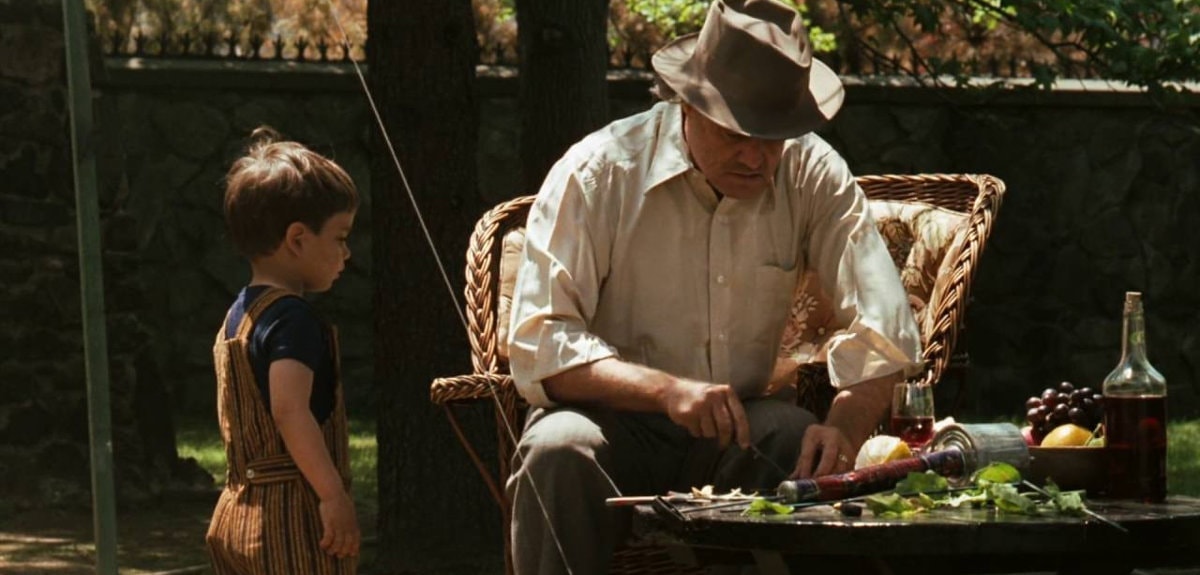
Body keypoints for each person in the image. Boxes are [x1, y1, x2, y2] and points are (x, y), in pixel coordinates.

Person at [504, 1, 923, 574]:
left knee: (802, 443)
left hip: (744, 430)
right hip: (608, 421)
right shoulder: (599, 172)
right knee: (557, 450)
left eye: (773, 136)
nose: (757, 157)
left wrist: (844, 430)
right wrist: (666, 393)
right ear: (686, 105)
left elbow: (885, 325)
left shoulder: (812, 172)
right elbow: (539, 344)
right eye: (736, 133)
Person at [206, 127, 361, 575]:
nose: (347, 253)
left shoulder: (237, 316)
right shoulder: (293, 319)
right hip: (290, 521)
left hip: (237, 513)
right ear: (297, 239)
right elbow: (289, 410)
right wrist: (332, 495)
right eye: (339, 236)